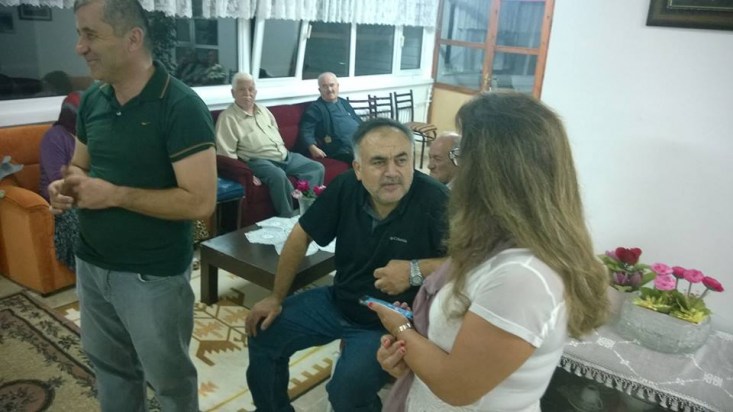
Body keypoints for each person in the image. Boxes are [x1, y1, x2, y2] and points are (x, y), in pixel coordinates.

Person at [370, 92, 609, 411]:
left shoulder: (523, 277)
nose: (456, 166)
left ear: (493, 172)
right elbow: (458, 353)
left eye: (461, 153)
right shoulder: (493, 246)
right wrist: (408, 353)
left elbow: (456, 386)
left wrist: (399, 327)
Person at [48, 0, 216, 410]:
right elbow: (80, 164)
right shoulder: (92, 100)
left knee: (169, 382)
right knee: (111, 370)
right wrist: (67, 185)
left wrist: (115, 194)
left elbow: (201, 202)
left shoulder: (180, 106)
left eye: (90, 35)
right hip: (91, 263)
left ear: (133, 39)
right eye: (79, 34)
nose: (79, 47)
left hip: (151, 275)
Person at [245, 117, 450, 411]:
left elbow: (469, 261)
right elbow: (301, 235)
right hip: (339, 300)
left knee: (345, 392)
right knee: (263, 331)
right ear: (358, 168)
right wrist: (276, 297)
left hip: (390, 323)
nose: (392, 172)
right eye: (378, 162)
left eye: (401, 160)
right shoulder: (345, 186)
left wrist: (414, 270)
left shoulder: (436, 199)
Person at [216, 72, 324, 217]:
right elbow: (225, 153)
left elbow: (275, 132)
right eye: (242, 89)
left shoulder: (263, 110)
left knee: (316, 168)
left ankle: (307, 210)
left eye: (251, 89)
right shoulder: (228, 118)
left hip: (285, 156)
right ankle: (287, 217)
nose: (247, 93)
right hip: (258, 161)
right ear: (233, 93)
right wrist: (246, 173)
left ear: (255, 92)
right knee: (278, 176)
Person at [39, 91, 81, 270]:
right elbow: (57, 178)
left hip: (89, 191)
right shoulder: (54, 137)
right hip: (59, 197)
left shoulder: (91, 136)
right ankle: (84, 270)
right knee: (82, 222)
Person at [299, 72, 363, 163]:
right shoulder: (316, 108)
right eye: (325, 86)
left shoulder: (343, 102)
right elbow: (306, 130)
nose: (329, 89)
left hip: (361, 141)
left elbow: (357, 120)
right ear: (320, 90)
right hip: (341, 149)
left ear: (337, 86)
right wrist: (312, 147)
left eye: (332, 85)